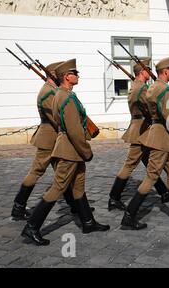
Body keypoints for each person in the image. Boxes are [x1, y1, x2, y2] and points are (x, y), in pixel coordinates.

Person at [21, 59, 109, 246]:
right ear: (66, 77)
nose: (78, 76)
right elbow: (74, 130)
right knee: (58, 187)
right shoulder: (66, 97)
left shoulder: (62, 94)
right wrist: (86, 151)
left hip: (70, 148)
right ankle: (32, 226)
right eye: (75, 73)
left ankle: (88, 222)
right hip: (70, 149)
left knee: (78, 187)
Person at [120, 57, 169, 230]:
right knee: (152, 176)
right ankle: (129, 215)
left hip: (157, 134)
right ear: (165, 71)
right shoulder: (164, 90)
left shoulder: (152, 88)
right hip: (162, 137)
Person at [11, 61, 80, 220]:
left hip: (55, 137)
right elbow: (57, 118)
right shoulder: (48, 93)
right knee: (37, 171)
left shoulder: (52, 90)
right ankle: (18, 206)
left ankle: (75, 205)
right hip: (49, 138)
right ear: (54, 75)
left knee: (62, 173)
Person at [108, 58, 169, 211]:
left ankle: (164, 192)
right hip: (142, 130)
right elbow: (151, 109)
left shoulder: (136, 86)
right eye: (148, 70)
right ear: (142, 72)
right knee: (130, 164)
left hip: (141, 127)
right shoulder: (141, 88)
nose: (150, 72)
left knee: (150, 162)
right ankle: (114, 197)